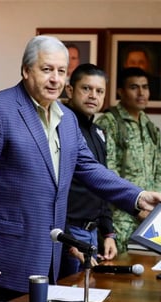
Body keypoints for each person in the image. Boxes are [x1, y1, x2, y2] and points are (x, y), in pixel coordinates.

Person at [0, 35, 161, 302]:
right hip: (0, 258)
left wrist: (138, 197)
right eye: (46, 69)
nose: (55, 79)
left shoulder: (67, 118)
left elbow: (89, 168)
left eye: (61, 71)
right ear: (26, 71)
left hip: (47, 257)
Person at [96, 67, 161, 253]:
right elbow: (107, 173)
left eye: (145, 87)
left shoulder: (149, 125)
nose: (141, 92)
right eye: (134, 87)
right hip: (120, 217)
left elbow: (159, 168)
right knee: (114, 274)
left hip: (150, 216)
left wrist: (156, 207)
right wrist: (135, 205)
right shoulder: (109, 123)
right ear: (120, 91)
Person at [59, 63, 117, 279]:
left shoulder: (98, 131)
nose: (93, 95)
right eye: (86, 88)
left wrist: (108, 233)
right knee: (65, 299)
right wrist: (68, 243)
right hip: (68, 233)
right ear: (70, 90)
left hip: (92, 233)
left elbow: (102, 184)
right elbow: (55, 189)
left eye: (99, 91)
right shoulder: (61, 127)